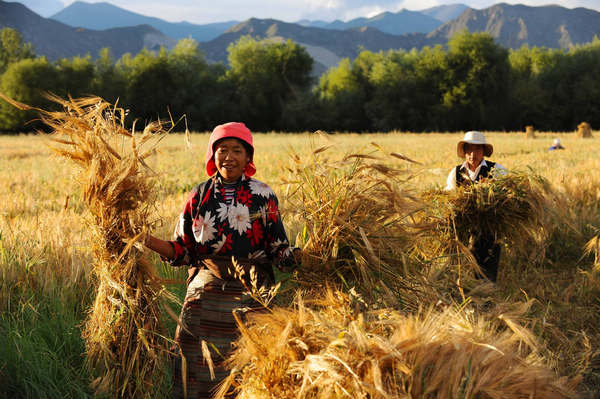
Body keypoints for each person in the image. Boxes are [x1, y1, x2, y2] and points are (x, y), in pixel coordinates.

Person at [145, 122, 300, 399]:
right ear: (212, 155)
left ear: (248, 157)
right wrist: (145, 240)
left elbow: (279, 249)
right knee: (192, 369)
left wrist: (308, 256)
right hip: (204, 298)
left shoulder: (263, 195)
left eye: (237, 150)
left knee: (253, 371)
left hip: (253, 295)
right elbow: (183, 251)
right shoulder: (199, 196)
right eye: (222, 150)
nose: (229, 156)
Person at [445, 131, 506, 282]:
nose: (473, 154)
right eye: (469, 149)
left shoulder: (496, 170)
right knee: (467, 269)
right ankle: (472, 297)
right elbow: (448, 197)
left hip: (490, 229)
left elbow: (506, 195)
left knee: (488, 268)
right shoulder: (456, 172)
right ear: (464, 152)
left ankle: (487, 299)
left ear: (483, 151)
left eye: (477, 149)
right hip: (465, 230)